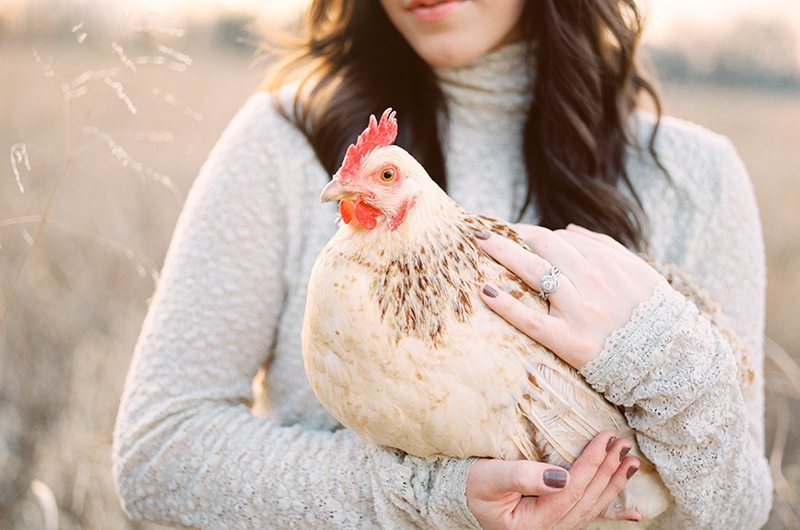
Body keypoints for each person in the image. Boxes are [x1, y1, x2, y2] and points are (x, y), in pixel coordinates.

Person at [112, 0, 773, 528]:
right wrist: (424, 498)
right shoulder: (278, 142)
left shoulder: (696, 178)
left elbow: (741, 512)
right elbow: (159, 453)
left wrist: (663, 362)